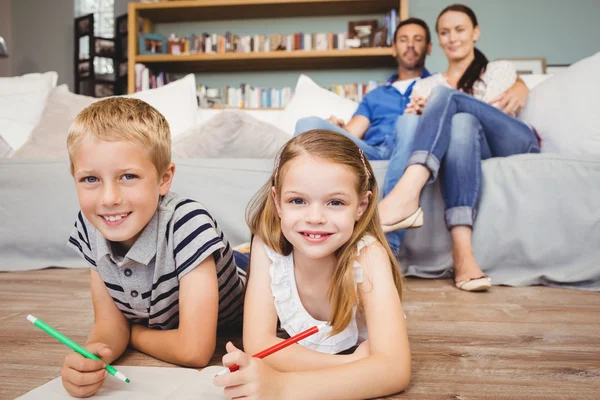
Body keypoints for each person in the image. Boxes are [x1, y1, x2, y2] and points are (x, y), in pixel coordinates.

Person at [61, 98, 247, 397]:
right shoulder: (90, 225)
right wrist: (92, 359)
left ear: (164, 179)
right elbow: (110, 325)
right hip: (166, 312)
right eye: (91, 179)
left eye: (128, 176)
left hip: (240, 279)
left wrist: (134, 334)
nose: (109, 198)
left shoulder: (189, 223)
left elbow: (194, 350)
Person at [294, 17, 530, 253]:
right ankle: (285, 226)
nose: (410, 45)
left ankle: (389, 246)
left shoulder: (439, 84)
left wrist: (521, 85)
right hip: (374, 148)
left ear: (429, 47)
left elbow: (479, 93)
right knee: (309, 124)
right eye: (404, 40)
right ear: (394, 47)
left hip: (409, 142)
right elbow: (352, 134)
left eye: (418, 40)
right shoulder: (376, 95)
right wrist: (334, 128)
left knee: (409, 123)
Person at [214, 130, 411, 399]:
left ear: (361, 206)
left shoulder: (368, 255)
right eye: (298, 200)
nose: (315, 217)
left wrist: (281, 387)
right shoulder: (266, 244)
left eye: (335, 202)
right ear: (277, 202)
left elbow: (395, 370)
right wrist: (353, 364)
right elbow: (259, 346)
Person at [378, 4, 541, 291]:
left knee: (453, 104)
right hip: (468, 143)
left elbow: (491, 110)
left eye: (460, 30)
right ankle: (463, 253)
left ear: (475, 33)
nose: (452, 37)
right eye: (445, 32)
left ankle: (407, 192)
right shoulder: (426, 84)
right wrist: (421, 114)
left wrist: (436, 107)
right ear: (438, 41)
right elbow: (425, 130)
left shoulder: (498, 69)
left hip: (510, 139)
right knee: (462, 123)